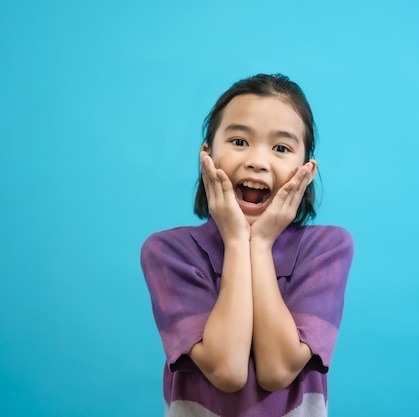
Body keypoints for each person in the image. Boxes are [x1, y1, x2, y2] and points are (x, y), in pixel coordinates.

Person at [140, 73, 354, 417]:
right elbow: (227, 370)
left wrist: (261, 244)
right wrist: (239, 241)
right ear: (206, 157)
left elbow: (277, 371)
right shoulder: (168, 252)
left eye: (281, 148)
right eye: (239, 141)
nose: (256, 160)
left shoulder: (327, 249)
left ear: (305, 171)